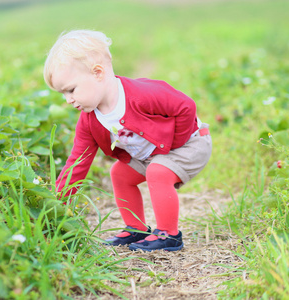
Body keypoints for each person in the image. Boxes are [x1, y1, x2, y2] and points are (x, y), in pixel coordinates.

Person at [43, 29, 212, 252]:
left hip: (190, 142)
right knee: (119, 174)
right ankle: (137, 228)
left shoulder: (140, 95)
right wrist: (57, 202)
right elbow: (77, 162)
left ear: (97, 73)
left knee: (158, 172)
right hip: (153, 153)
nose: (68, 100)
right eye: (62, 94)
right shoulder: (89, 121)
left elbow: (186, 107)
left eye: (71, 90)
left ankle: (169, 235)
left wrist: (173, 148)